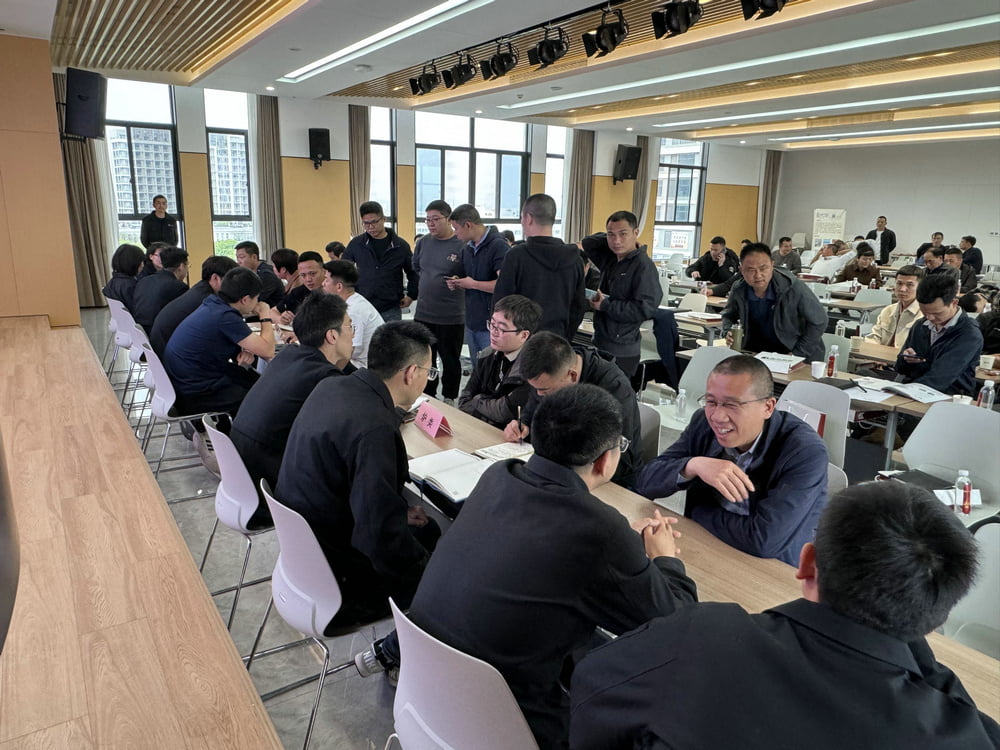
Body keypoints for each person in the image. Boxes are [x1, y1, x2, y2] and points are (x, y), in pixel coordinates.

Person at [357, 384, 698, 750]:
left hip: (425, 697)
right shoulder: (600, 530)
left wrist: (620, 540)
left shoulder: (499, 475)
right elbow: (677, 622)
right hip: (507, 725)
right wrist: (665, 558)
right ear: (604, 460)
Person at [569, 481, 1000, 750]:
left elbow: (592, 684)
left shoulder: (702, 637)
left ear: (806, 563)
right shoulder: (961, 733)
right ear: (937, 620)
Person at [276, 321, 441, 629]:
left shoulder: (332, 386)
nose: (426, 379)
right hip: (339, 582)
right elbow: (377, 537)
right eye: (428, 372)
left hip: (303, 555)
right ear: (410, 373)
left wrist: (393, 512)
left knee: (421, 530)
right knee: (440, 556)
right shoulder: (375, 428)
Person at [635, 355, 828, 566]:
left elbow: (764, 541)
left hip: (773, 568)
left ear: (768, 407)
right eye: (711, 402)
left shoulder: (804, 451)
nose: (717, 416)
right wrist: (693, 465)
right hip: (707, 544)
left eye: (732, 405)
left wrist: (698, 512)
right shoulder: (703, 423)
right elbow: (644, 482)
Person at [230, 291, 355, 521]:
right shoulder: (324, 378)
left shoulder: (289, 355)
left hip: (241, 477)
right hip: (268, 486)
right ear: (332, 336)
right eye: (349, 327)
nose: (352, 334)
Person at [504, 331, 643, 488]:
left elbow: (621, 455)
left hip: (609, 480)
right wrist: (522, 426)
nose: (539, 394)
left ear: (572, 375)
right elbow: (531, 412)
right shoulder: (550, 374)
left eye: (544, 390)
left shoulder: (614, 386)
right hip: (558, 467)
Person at [162, 266, 275, 416]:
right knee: (264, 396)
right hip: (196, 392)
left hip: (184, 381)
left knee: (255, 380)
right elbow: (268, 351)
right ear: (245, 299)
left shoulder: (213, 303)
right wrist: (265, 315)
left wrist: (244, 349)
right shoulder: (225, 317)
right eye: (256, 298)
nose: (257, 303)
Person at [581, 210, 663, 378]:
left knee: (613, 394)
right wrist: (612, 237)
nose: (616, 240)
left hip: (622, 348)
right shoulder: (611, 258)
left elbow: (644, 308)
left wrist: (606, 305)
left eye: (623, 234)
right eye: (611, 234)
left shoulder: (643, 266)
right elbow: (588, 243)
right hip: (601, 340)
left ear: (636, 232)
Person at [493, 193, 586, 340]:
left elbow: (501, 303)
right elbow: (578, 307)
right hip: (558, 340)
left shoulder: (516, 256)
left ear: (528, 218)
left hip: (521, 340)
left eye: (521, 218)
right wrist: (565, 338)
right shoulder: (575, 259)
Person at [720, 243, 827, 363]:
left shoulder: (792, 287)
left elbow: (820, 321)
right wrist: (727, 331)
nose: (758, 275)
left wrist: (798, 353)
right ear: (741, 270)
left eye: (763, 268)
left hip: (796, 354)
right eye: (751, 270)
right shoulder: (739, 288)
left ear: (772, 265)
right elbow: (729, 315)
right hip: (757, 353)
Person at [459, 294, 541, 428]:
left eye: (501, 329)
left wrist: (477, 400)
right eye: (492, 325)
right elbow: (464, 401)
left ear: (523, 335)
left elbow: (505, 413)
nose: (493, 332)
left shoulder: (532, 369)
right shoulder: (487, 355)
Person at [896, 271, 983, 396]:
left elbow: (940, 379)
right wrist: (905, 359)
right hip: (914, 390)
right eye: (924, 311)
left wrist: (906, 391)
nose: (930, 318)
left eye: (937, 313)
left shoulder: (969, 334)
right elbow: (900, 368)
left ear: (954, 303)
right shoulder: (921, 325)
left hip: (949, 397)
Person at [412, 200, 466, 404]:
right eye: (427, 219)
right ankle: (428, 395)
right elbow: (417, 268)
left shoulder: (461, 244)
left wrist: (458, 281)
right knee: (425, 358)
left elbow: (469, 275)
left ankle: (450, 397)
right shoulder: (423, 242)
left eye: (435, 219)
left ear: (449, 219)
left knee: (450, 359)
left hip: (451, 315)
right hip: (424, 313)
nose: (430, 224)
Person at [446, 203, 510, 360]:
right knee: (477, 368)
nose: (455, 233)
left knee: (491, 367)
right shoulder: (467, 248)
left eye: (456, 228)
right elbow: (462, 275)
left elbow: (504, 285)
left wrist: (473, 284)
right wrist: (456, 281)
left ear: (468, 225)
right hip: (472, 320)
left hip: (492, 324)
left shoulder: (498, 246)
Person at [343, 201, 418, 322]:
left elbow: (413, 272)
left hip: (391, 306)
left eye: (374, 222)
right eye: (366, 223)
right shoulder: (356, 244)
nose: (371, 227)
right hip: (362, 304)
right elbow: (344, 270)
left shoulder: (400, 245)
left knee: (391, 335)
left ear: (384, 219)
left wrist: (411, 295)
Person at [149, 255, 237, 357]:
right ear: (215, 278)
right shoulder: (207, 300)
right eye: (230, 280)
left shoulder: (200, 288)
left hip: (162, 347)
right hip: (169, 354)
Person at [322, 259, 383, 368]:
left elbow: (347, 353)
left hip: (365, 367)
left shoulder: (354, 311)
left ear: (339, 287)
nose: (323, 284)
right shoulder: (351, 302)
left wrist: (330, 374)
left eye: (326, 280)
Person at [131, 245, 189, 334]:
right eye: (187, 265)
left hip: (140, 331)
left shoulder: (144, 280)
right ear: (181, 266)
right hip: (160, 334)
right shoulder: (178, 287)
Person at [864, 264, 923, 350]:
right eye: (899, 283)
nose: (902, 289)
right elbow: (874, 337)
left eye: (909, 285)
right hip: (880, 355)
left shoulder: (924, 315)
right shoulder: (888, 310)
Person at [274, 251, 324, 322]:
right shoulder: (299, 292)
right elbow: (272, 312)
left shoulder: (335, 291)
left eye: (312, 273)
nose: (308, 279)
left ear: (324, 271)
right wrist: (281, 319)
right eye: (303, 275)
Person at [234, 240, 285, 308]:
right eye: (237, 257)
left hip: (272, 311)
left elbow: (255, 299)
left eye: (241, 257)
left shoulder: (266, 274)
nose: (238, 262)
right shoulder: (250, 273)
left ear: (254, 257)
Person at [102, 243, 146, 312]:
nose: (143, 265)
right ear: (132, 263)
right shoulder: (130, 285)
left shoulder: (113, 281)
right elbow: (139, 309)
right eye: (141, 262)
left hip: (119, 317)